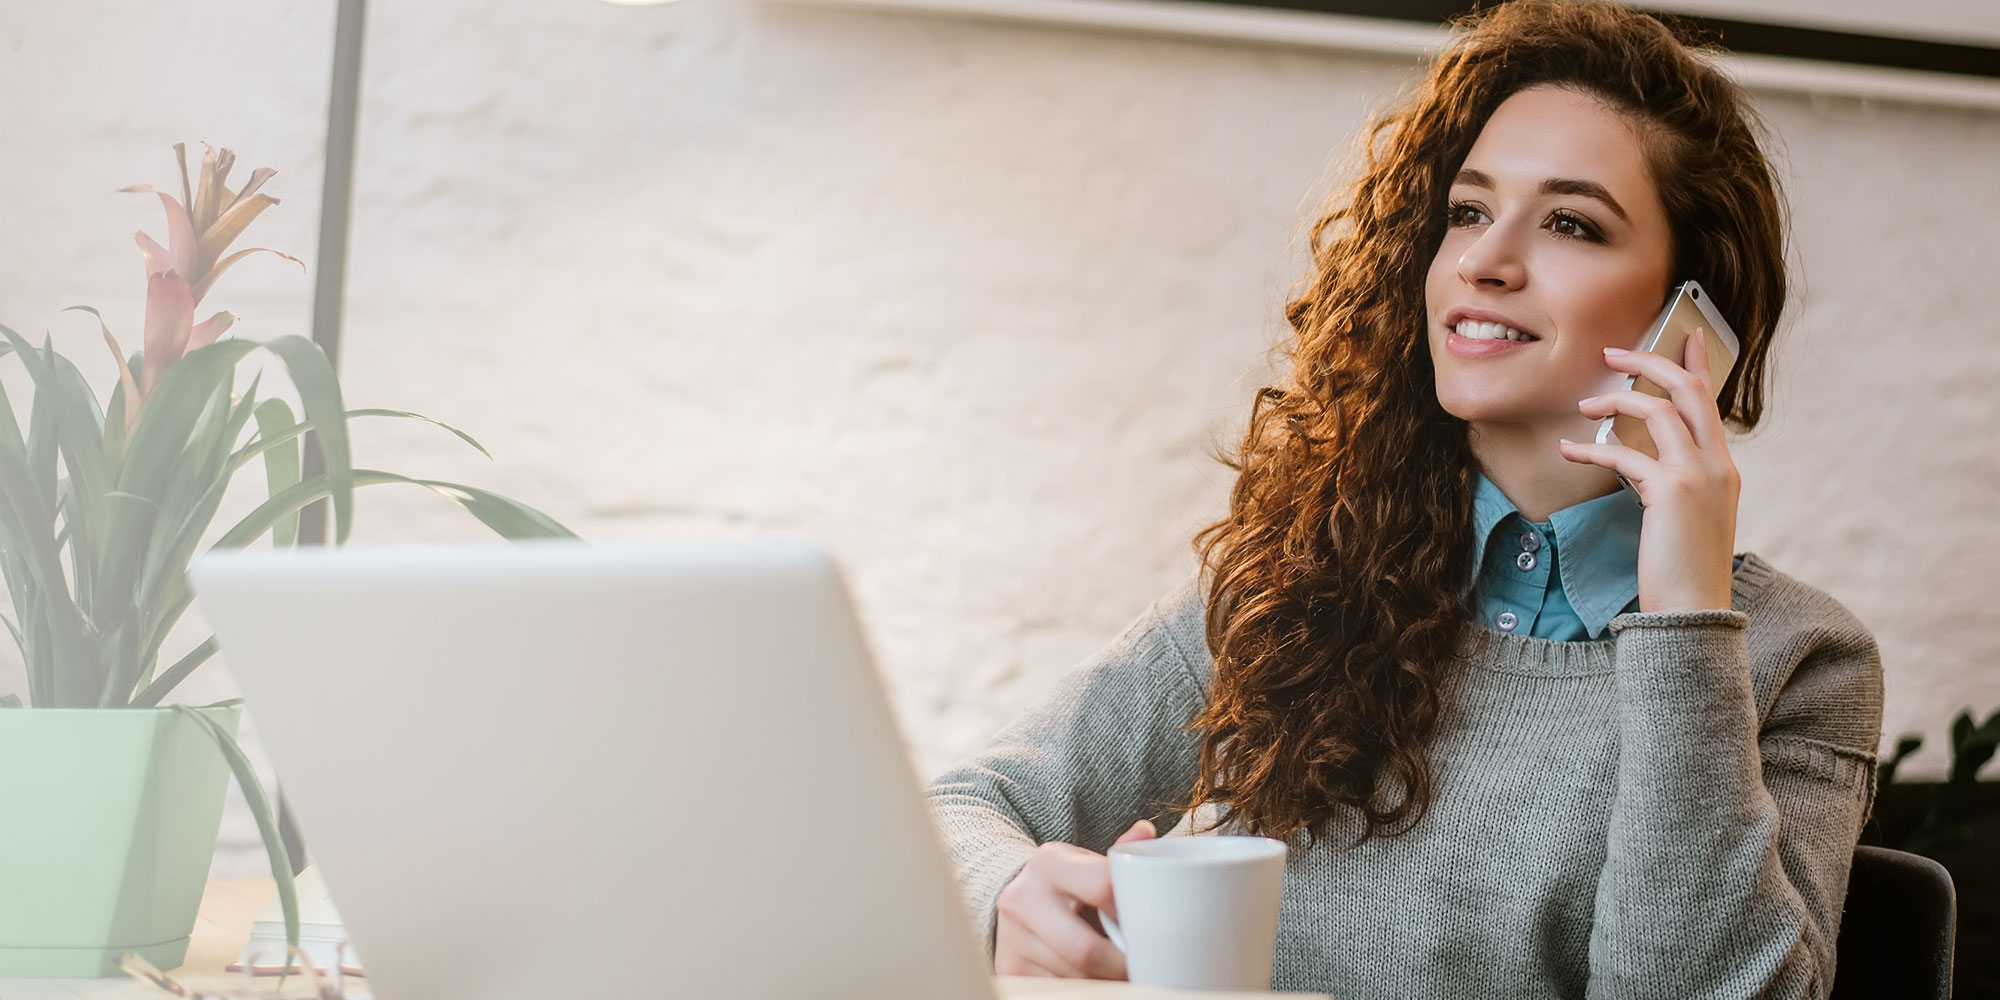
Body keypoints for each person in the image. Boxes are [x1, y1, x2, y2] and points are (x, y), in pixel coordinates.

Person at [924, 2, 1885, 997]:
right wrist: (1008, 897)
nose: (1483, 259)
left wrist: (1684, 617)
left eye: (1569, 223)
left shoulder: (1796, 660)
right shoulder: (1298, 578)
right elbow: (961, 805)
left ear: (1690, 321)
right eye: (1466, 211)